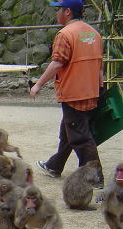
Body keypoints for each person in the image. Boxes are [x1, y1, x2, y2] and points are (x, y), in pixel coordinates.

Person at [30, 0, 104, 187]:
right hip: (91, 90)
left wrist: (38, 84)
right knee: (68, 130)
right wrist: (100, 89)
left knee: (80, 137)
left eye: (59, 9)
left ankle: (95, 178)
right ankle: (55, 165)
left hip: (73, 92)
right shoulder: (94, 33)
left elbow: (57, 63)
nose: (57, 14)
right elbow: (99, 65)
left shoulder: (65, 34)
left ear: (68, 12)